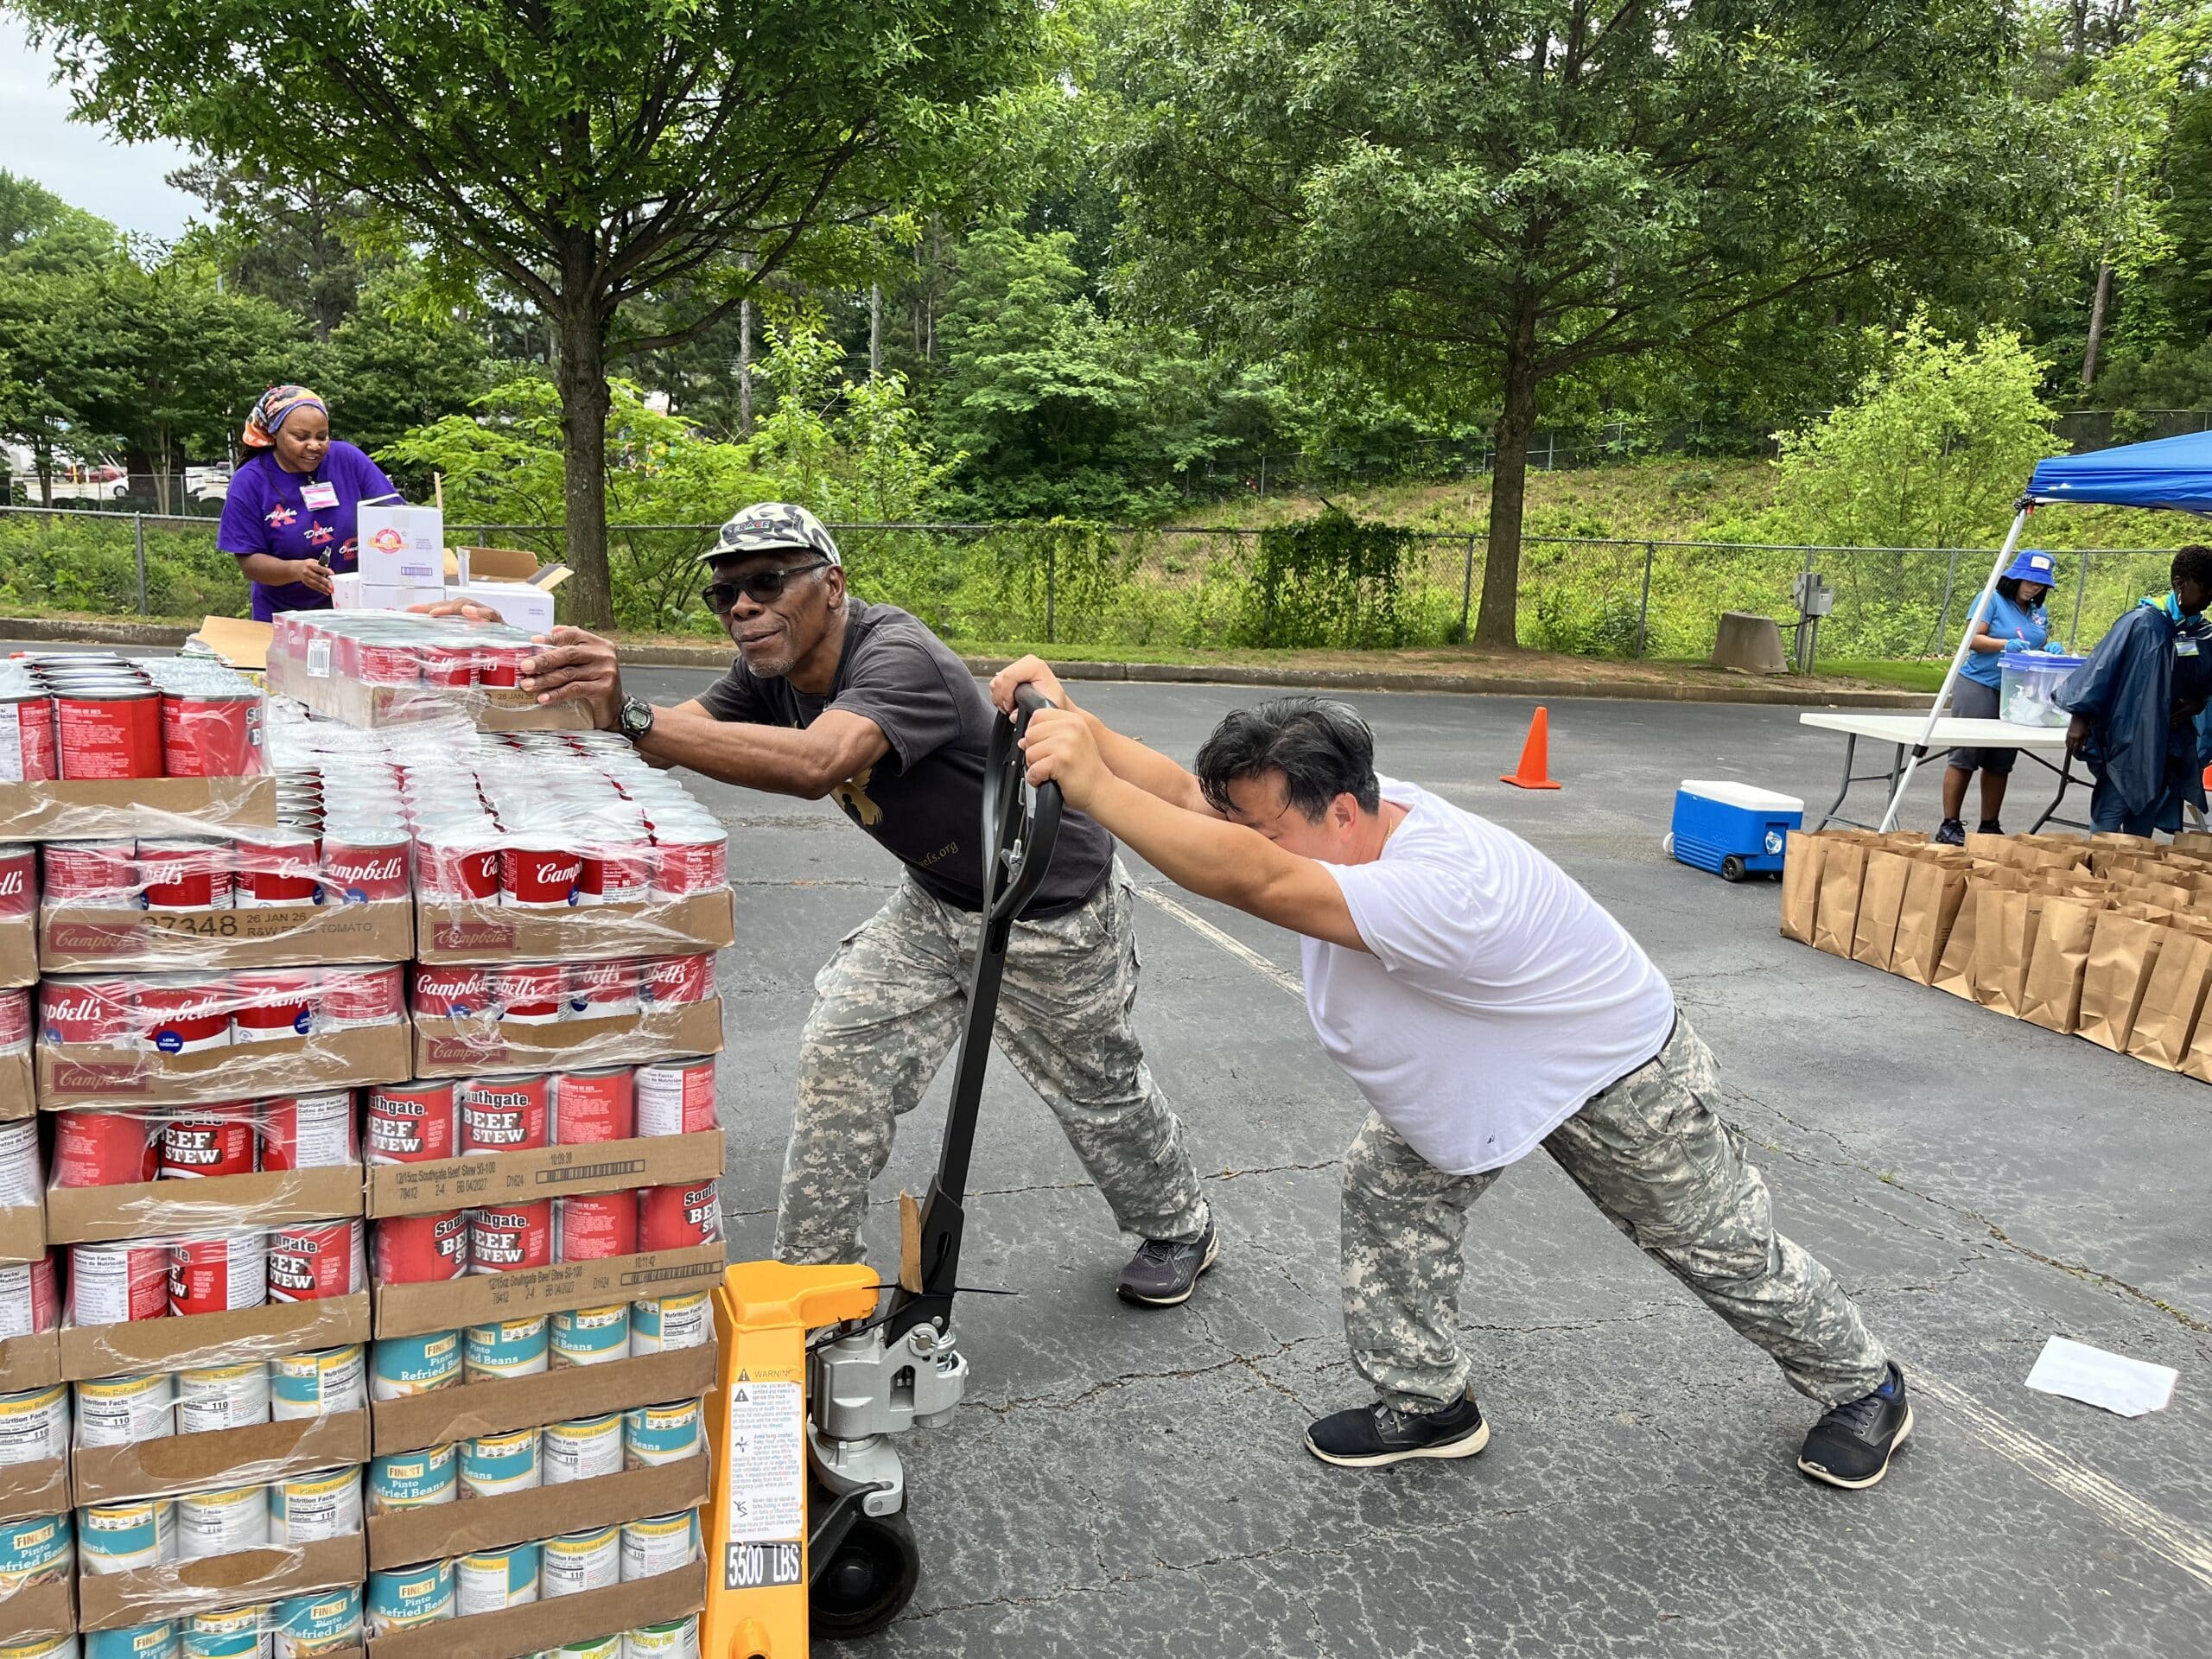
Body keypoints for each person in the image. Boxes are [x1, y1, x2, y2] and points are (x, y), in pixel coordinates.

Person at [995, 660, 1911, 1489]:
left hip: (1609, 1071)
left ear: (1342, 811)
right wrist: (1078, 723)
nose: (1249, 837)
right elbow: (1194, 805)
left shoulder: (1439, 885)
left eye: (1264, 826)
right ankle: (1430, 1404)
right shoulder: (1342, 808)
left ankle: (1864, 1385)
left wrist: (1089, 787)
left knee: (1714, 1247)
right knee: (1389, 1189)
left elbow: (1251, 880)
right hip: (1483, 1061)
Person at [502, 503, 1220, 1305]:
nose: (744, 607)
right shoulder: (766, 672)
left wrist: (632, 714)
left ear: (833, 585)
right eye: (727, 594)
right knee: (841, 1052)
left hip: (1044, 904)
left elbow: (818, 760)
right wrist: (536, 675)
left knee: (1096, 1090)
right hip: (936, 900)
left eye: (768, 583)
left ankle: (1179, 1223)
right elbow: (671, 738)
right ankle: (813, 1288)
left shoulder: (897, 655)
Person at [2057, 545, 2212, 836]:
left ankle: (2128, 876)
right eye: (2206, 588)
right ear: (2180, 583)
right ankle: (2099, 875)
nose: (2210, 597)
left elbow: (2204, 681)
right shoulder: (2142, 623)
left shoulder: (2200, 632)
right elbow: (2099, 670)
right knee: (2111, 811)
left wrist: (2197, 703)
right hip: (2129, 739)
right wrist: (2079, 719)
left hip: (2169, 742)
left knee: (2144, 816)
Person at [216, 385, 398, 620]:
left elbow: (394, 515)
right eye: (301, 437)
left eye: (322, 437)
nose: (314, 445)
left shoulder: (348, 459)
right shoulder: (250, 481)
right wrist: (296, 570)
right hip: (283, 619)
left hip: (353, 614)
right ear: (274, 434)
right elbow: (249, 562)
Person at [1936, 549, 2058, 845]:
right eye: (2029, 582)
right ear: (2014, 578)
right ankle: (1950, 823)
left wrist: (2049, 650)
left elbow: (2038, 642)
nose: (2034, 588)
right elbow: (1972, 640)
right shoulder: (1991, 599)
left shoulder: (2037, 612)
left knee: (2001, 758)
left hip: (2016, 689)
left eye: (2040, 585)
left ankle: (1989, 824)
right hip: (1980, 682)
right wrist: (2006, 644)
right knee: (1966, 754)